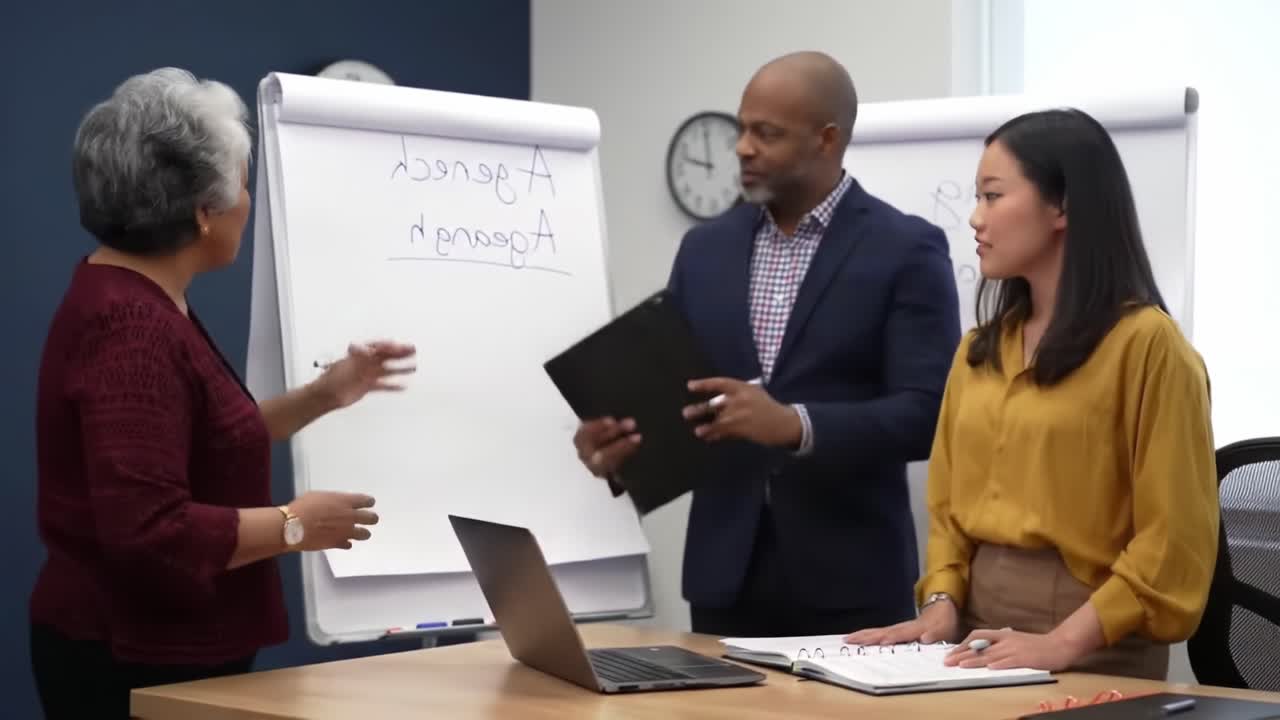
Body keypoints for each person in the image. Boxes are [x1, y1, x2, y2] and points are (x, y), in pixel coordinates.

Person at [29, 68, 416, 719]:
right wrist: (296, 525)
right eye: (241, 182)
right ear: (203, 214)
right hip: (131, 658)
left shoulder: (140, 299)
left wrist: (324, 394)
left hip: (155, 649)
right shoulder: (131, 329)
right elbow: (149, 532)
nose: (248, 197)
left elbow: (204, 441)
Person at [573, 52, 961, 637]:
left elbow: (929, 414)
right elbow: (687, 403)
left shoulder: (905, 250)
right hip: (724, 581)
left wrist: (795, 425)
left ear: (826, 139)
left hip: (852, 587)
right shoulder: (704, 250)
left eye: (766, 133)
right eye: (743, 128)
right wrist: (624, 458)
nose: (743, 147)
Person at [845, 108, 1219, 680]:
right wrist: (941, 603)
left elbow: (1173, 540)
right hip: (976, 642)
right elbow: (948, 512)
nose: (974, 218)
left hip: (1096, 646)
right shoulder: (979, 351)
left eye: (993, 196)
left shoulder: (1147, 345)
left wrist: (1064, 643)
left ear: (1063, 205)